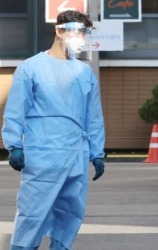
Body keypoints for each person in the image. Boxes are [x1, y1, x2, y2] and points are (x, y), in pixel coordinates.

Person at [2, 10, 105, 250]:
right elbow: (16, 109)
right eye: (76, 32)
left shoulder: (84, 72)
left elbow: (93, 116)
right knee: (33, 211)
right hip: (42, 152)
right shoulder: (31, 68)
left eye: (83, 33)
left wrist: (97, 151)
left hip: (76, 153)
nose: (80, 38)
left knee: (71, 211)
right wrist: (14, 144)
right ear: (59, 31)